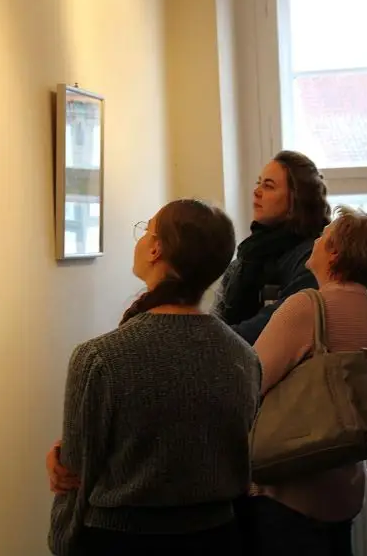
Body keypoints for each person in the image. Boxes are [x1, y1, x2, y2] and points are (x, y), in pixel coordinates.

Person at [46, 199, 262, 556]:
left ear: (156, 248)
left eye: (146, 230)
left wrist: (62, 538)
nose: (142, 238)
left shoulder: (99, 358)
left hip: (118, 541)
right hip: (217, 539)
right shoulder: (243, 356)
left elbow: (76, 478)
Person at [248, 206, 367, 556]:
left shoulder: (308, 307)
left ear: (335, 252)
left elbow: (251, 382)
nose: (316, 240)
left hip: (290, 490)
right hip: (342, 486)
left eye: (324, 237)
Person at [213, 150, 331, 344]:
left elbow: (282, 321)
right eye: (258, 183)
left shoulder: (312, 257)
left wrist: (216, 341)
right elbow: (219, 316)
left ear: (296, 199)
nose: (257, 191)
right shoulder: (248, 253)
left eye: (268, 186)